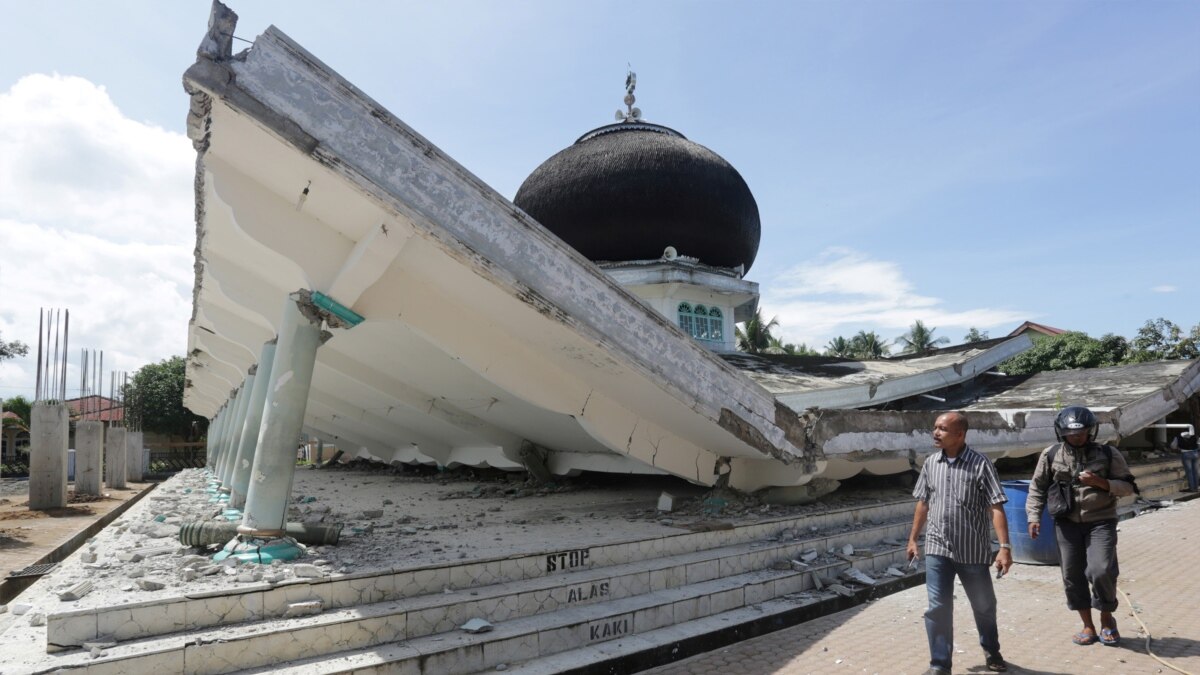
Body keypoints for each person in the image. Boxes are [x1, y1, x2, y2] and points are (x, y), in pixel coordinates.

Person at [907, 411, 1012, 675]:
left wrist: (1004, 547)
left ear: (960, 434)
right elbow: (923, 502)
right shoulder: (931, 463)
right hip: (937, 547)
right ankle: (940, 664)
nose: (936, 433)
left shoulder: (980, 464)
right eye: (935, 428)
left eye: (942, 429)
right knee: (938, 607)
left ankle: (991, 649)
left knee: (984, 605)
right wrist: (913, 539)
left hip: (972, 550)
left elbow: (995, 506)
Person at [1026, 405, 1135, 647]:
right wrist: (1033, 517)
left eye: (1082, 432)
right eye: (1071, 433)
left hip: (1101, 522)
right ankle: (1088, 625)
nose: (1077, 437)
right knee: (1072, 576)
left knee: (1101, 569)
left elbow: (1128, 487)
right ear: (1061, 432)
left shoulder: (1108, 454)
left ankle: (1107, 618)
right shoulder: (1051, 454)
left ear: (1091, 431)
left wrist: (1101, 482)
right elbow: (1037, 487)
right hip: (1066, 524)